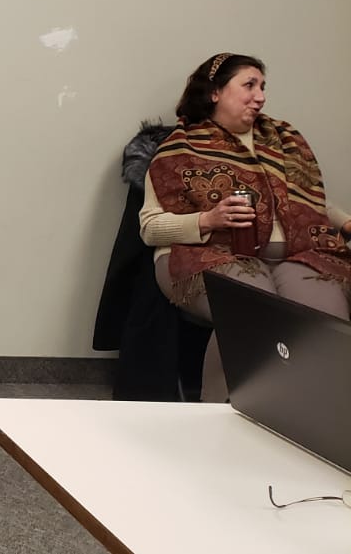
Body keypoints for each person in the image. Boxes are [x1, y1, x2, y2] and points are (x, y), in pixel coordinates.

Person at [140, 52, 351, 401]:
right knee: (252, 309)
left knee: (324, 320)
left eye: (263, 87)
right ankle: (221, 411)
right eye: (249, 85)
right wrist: (208, 219)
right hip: (206, 254)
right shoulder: (180, 147)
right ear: (215, 92)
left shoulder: (283, 139)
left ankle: (317, 413)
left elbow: (308, 202)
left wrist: (345, 222)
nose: (260, 96)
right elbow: (150, 227)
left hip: (295, 254)